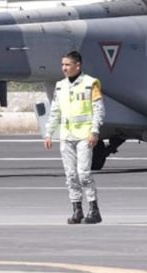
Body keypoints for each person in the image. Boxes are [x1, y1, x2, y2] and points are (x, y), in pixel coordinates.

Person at [44, 51, 105, 225]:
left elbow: (98, 109)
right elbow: (55, 111)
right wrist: (49, 133)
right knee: (70, 175)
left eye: (68, 65)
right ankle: (77, 209)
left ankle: (94, 210)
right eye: (63, 65)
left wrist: (94, 131)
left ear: (77, 66)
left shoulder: (90, 84)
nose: (64, 68)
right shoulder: (60, 86)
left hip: (84, 135)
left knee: (83, 173)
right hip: (66, 136)